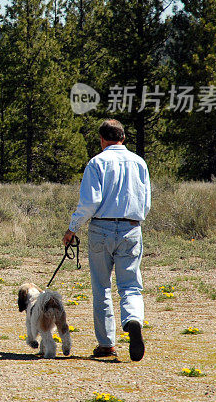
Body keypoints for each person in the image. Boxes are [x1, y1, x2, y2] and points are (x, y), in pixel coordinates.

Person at [62, 118, 151, 361]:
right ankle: (133, 320)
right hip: (131, 228)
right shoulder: (139, 162)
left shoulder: (96, 162)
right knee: (131, 285)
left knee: (102, 287)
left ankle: (106, 344)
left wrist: (72, 229)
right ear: (123, 138)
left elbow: (89, 202)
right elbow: (145, 202)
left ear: (102, 140)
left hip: (101, 228)